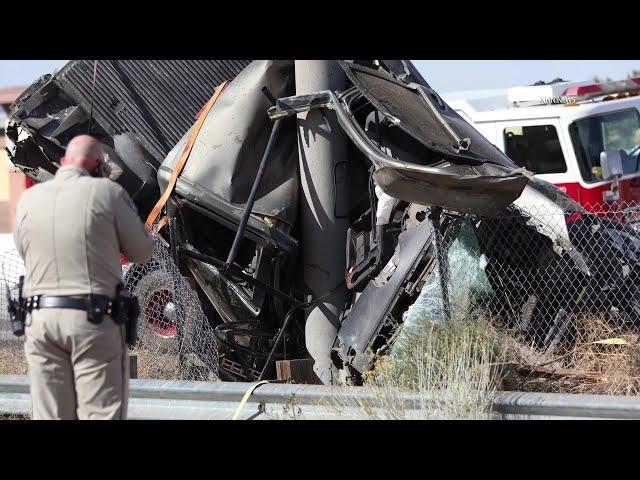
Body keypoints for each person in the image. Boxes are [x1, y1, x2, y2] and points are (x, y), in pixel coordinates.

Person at [13, 135, 155, 420]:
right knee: (100, 412)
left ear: (64, 161)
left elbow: (23, 248)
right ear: (100, 166)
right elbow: (141, 253)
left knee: (50, 415)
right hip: (92, 319)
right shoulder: (108, 192)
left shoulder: (29, 199)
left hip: (38, 320)